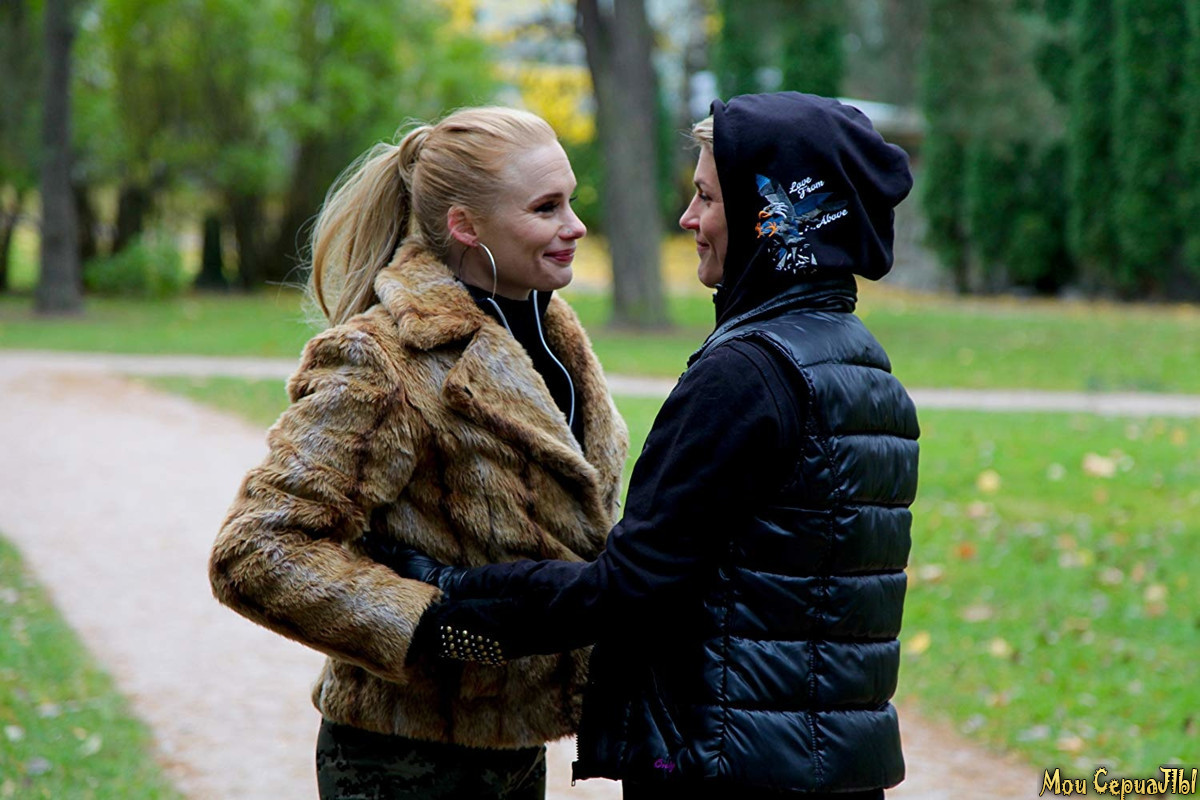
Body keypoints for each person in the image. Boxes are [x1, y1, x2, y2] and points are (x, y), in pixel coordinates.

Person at [368, 92, 920, 799]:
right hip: (831, 768)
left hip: (726, 768)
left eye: (707, 197)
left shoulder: (747, 376)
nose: (688, 218)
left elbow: (629, 587)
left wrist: (448, 598)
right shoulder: (860, 363)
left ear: (770, 212)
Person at [208, 106, 629, 800]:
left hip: (516, 753)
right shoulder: (383, 358)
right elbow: (255, 551)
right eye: (546, 207)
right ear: (466, 226)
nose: (576, 225)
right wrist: (436, 622)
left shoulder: (554, 336)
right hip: (400, 760)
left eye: (571, 201)